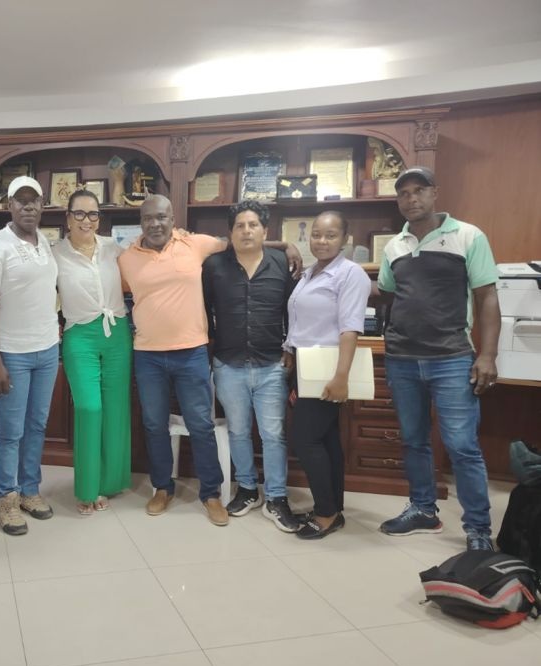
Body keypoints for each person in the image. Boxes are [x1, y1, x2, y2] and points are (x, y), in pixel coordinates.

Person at [118, 194, 301, 526]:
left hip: (191, 353)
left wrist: (285, 245)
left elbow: (242, 241)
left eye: (161, 217)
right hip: (147, 355)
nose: (155, 224)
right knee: (154, 424)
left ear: (173, 219)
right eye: (147, 218)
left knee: (201, 425)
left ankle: (211, 494)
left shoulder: (196, 244)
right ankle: (162, 488)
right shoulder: (127, 258)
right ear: (140, 222)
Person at [377, 167, 501, 551]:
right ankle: (423, 510)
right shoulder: (394, 246)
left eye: (419, 190)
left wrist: (488, 355)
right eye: (403, 193)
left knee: (462, 445)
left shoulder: (467, 235)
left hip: (451, 358)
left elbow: (487, 297)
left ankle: (478, 529)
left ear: (434, 193)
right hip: (402, 359)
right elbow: (389, 294)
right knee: (414, 440)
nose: (411, 199)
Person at [202, 200, 299, 532]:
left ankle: (276, 497)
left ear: (265, 230)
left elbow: (293, 311)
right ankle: (246, 489)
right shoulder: (214, 266)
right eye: (239, 226)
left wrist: (291, 348)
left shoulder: (281, 262)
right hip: (228, 364)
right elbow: (204, 310)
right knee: (238, 431)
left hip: (271, 364)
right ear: (230, 232)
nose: (246, 231)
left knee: (273, 434)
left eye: (253, 225)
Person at [0, 176, 59, 535]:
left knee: (37, 425)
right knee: (11, 431)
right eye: (20, 201)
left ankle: (29, 490)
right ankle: (6, 498)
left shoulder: (45, 242)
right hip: (12, 353)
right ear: (8, 205)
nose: (28, 206)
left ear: (42, 205)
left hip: (48, 350)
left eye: (34, 200)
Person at [283, 211, 371, 539]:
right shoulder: (309, 273)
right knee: (327, 439)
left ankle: (325, 514)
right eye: (316, 234)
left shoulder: (350, 274)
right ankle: (333, 507)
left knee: (305, 439)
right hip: (306, 366)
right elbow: (301, 322)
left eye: (331, 235)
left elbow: (350, 328)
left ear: (345, 239)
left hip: (328, 369)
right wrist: (289, 349)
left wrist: (341, 377)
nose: (322, 241)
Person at [52, 189, 132, 515]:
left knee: (115, 409)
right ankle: (88, 488)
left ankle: (110, 483)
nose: (87, 220)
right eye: (80, 213)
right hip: (79, 336)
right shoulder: (54, 253)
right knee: (89, 407)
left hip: (118, 334)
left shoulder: (114, 248)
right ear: (68, 217)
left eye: (93, 214)